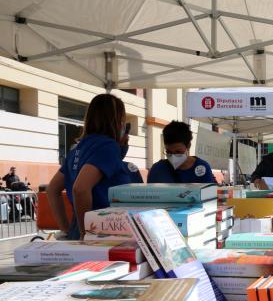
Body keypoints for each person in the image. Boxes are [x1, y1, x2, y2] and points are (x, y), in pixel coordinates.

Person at [47, 94, 131, 240]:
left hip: (78, 227)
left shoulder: (78, 148)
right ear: (118, 121)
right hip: (102, 229)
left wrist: (66, 229)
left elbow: (52, 189)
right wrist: (85, 234)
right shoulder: (108, 147)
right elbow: (80, 188)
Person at [147, 121, 217, 184]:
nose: (173, 157)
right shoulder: (157, 169)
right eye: (168, 152)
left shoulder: (202, 168)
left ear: (188, 146)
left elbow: (209, 196)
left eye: (178, 152)